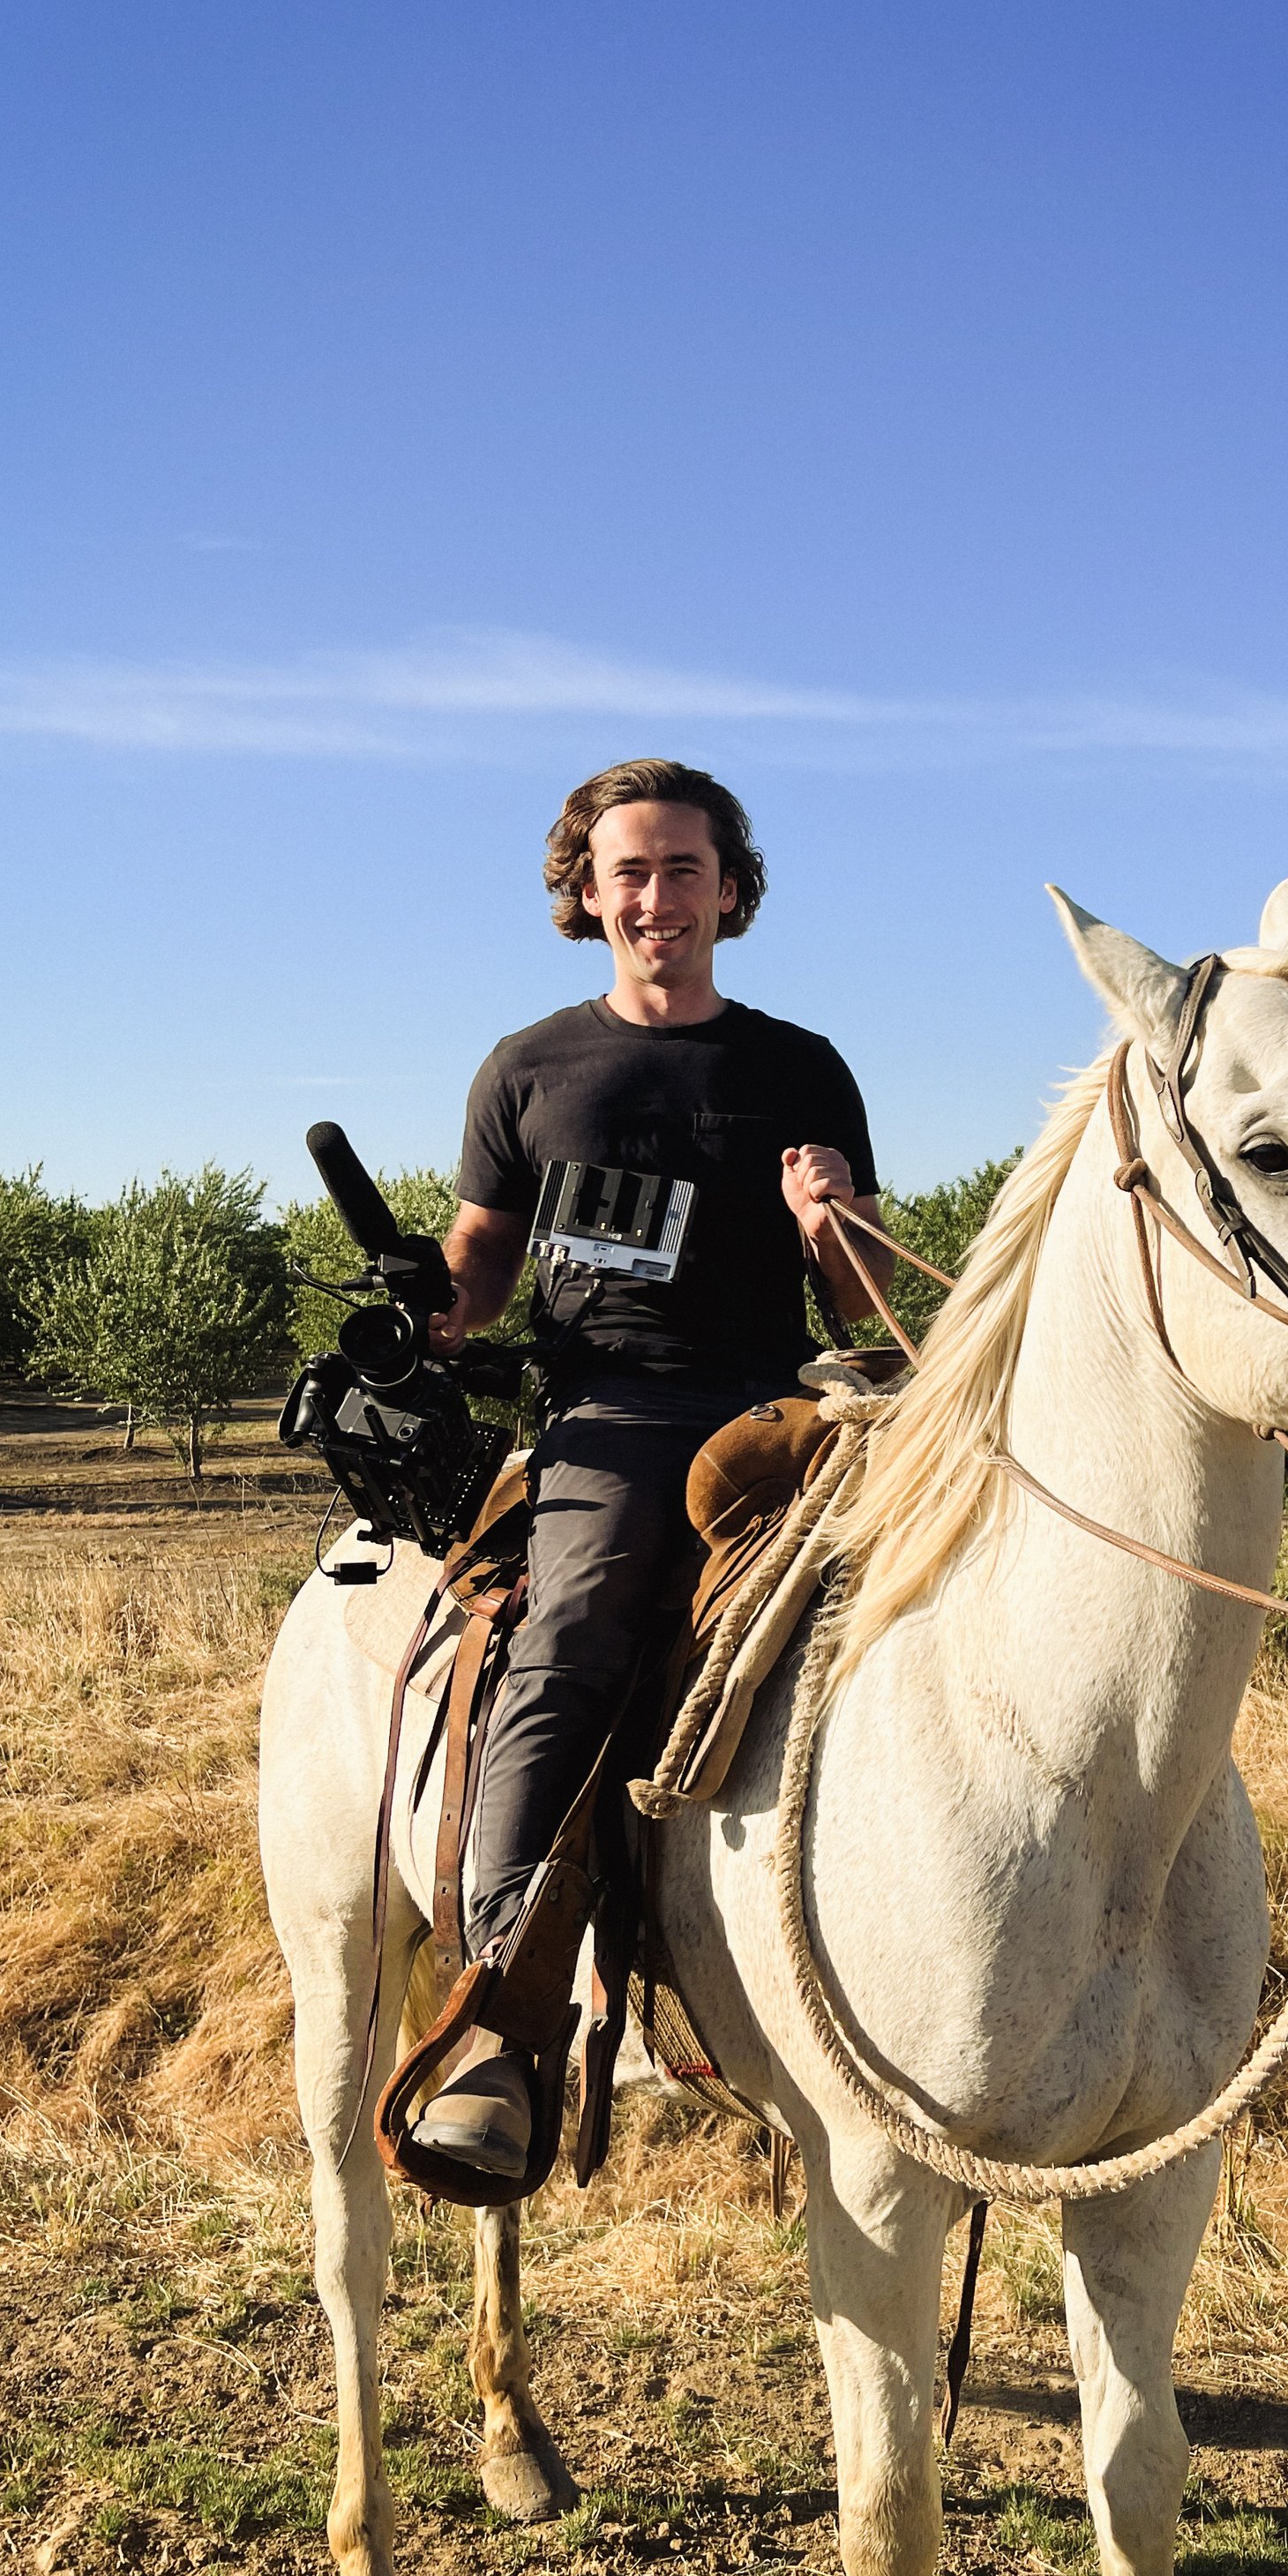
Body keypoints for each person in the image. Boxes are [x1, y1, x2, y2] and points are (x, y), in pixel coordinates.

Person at [409, 758, 889, 2181]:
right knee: (572, 1635)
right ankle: (499, 2011)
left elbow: (863, 1306)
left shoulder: (799, 1067)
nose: (658, 895)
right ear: (586, 892)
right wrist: (423, 1308)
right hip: (612, 1410)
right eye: (630, 869)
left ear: (731, 890)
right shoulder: (530, 1069)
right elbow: (480, 1271)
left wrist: (831, 1221)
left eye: (686, 868)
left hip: (776, 1405)